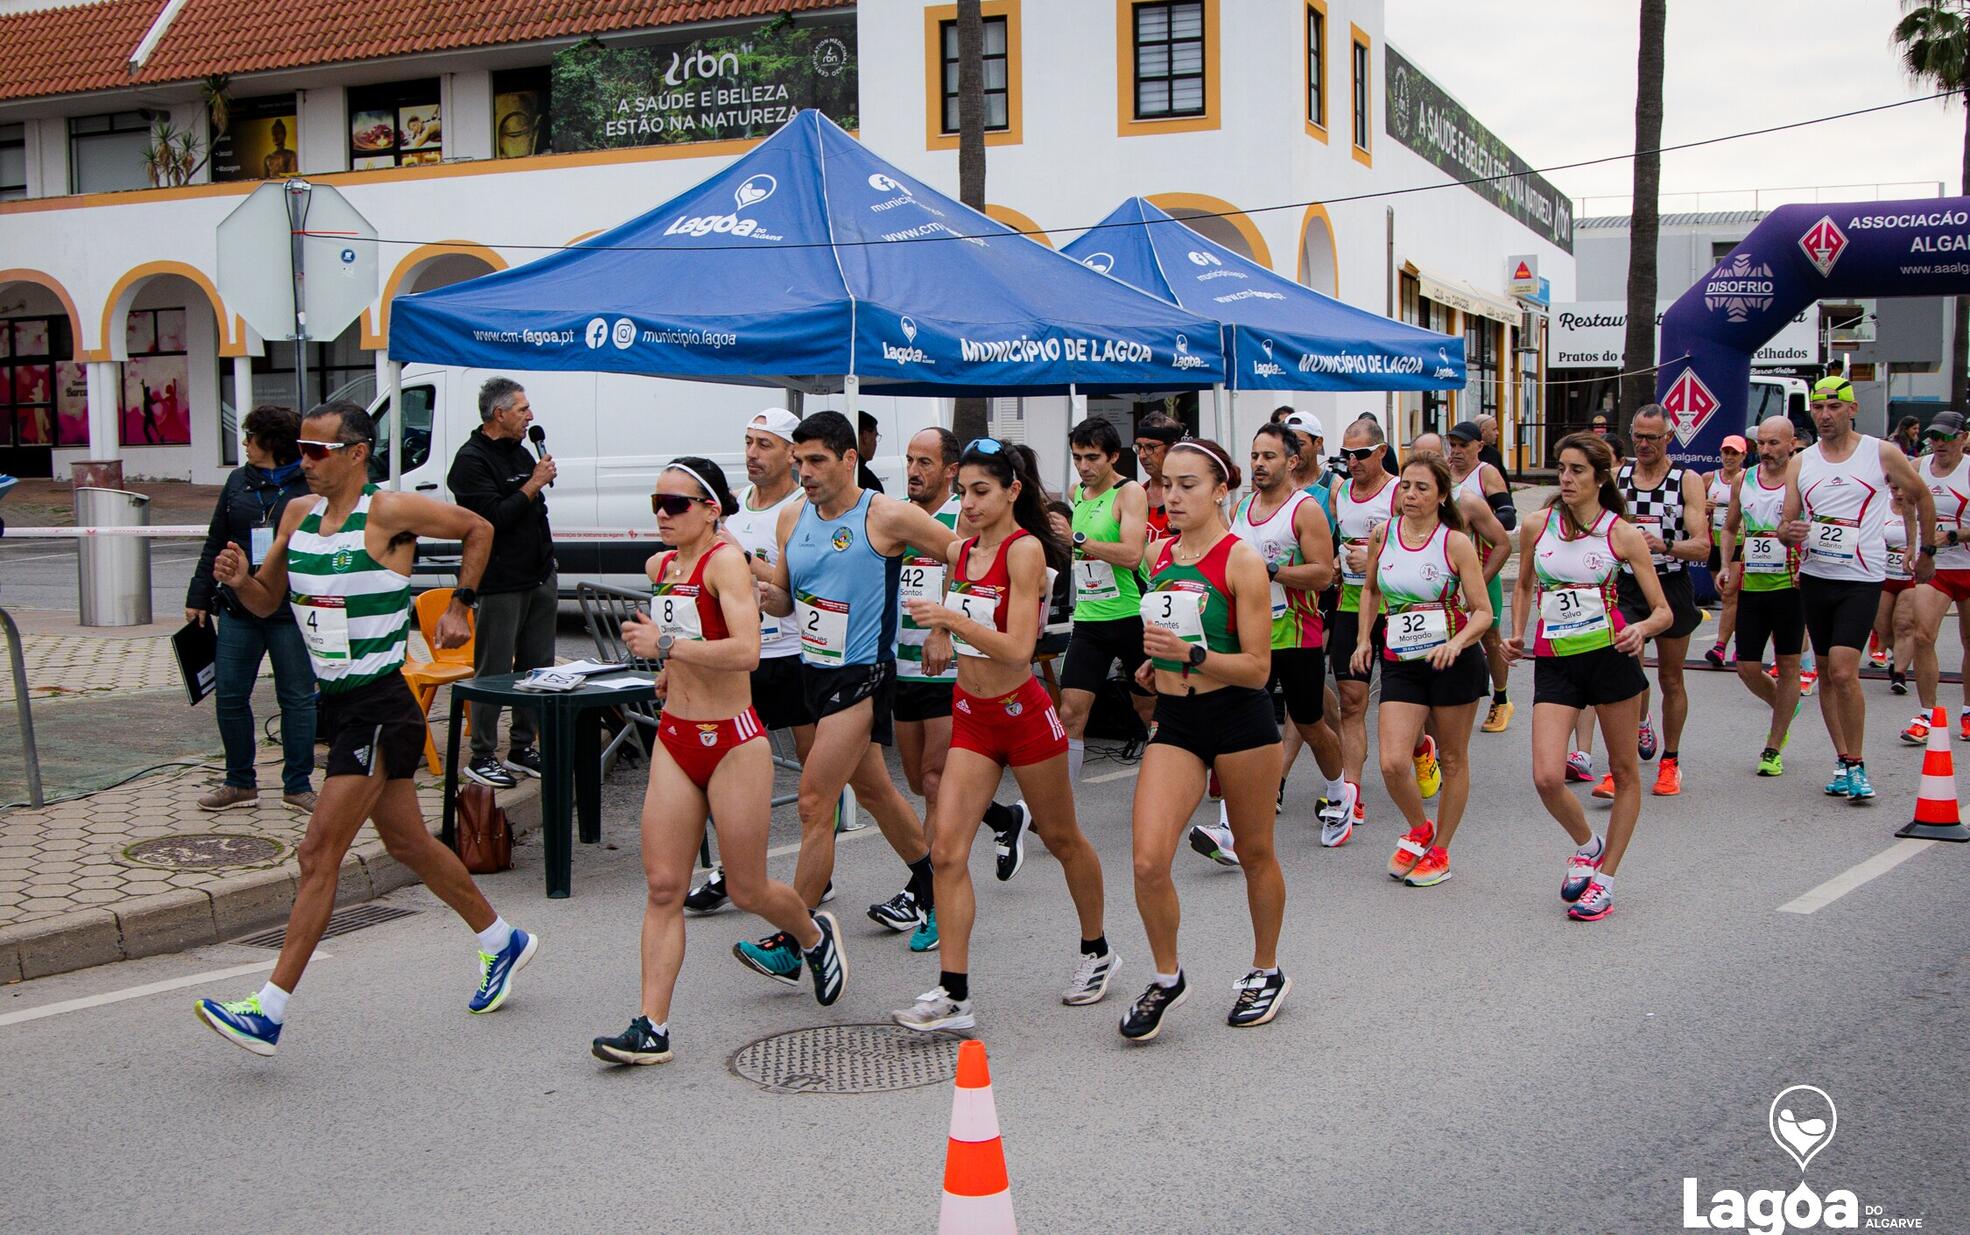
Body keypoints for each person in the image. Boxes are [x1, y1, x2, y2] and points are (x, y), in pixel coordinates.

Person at [194, 402, 535, 1056]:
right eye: (301, 449)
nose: (304, 462)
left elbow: (480, 527)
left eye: (318, 452)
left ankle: (268, 1009)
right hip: (340, 705)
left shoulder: (387, 513)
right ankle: (502, 940)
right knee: (409, 844)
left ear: (356, 452)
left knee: (317, 851)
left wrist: (461, 604)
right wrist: (240, 583)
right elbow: (269, 600)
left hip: (381, 704)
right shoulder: (295, 514)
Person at [592, 459, 845, 1066]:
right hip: (677, 739)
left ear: (711, 509)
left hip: (733, 742)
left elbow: (749, 652)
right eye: (657, 501)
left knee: (748, 884)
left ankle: (812, 935)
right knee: (663, 887)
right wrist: (671, 673)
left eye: (675, 504)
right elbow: (691, 643)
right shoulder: (660, 567)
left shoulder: (726, 562)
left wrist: (668, 647)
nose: (661, 513)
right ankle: (651, 1026)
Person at [892, 439, 1114, 1032]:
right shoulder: (960, 552)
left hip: (1022, 713)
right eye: (963, 491)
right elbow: (957, 616)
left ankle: (1097, 951)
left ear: (1013, 491)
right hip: (972, 714)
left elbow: (1018, 648)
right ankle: (954, 992)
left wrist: (950, 621)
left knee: (1064, 839)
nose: (968, 503)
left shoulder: (1024, 551)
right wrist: (943, 636)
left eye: (981, 492)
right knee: (945, 852)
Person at [738, 411, 959, 978]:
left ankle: (798, 939)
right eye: (799, 462)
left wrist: (942, 625)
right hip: (814, 671)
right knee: (879, 792)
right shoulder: (793, 517)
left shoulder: (883, 515)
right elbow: (787, 596)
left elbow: (963, 554)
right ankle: (934, 885)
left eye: (816, 461)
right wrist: (758, 591)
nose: (805, 473)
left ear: (848, 460)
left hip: (862, 676)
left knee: (815, 803)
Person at [1121, 438, 1289, 1040]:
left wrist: (1191, 654)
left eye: (1187, 485)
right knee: (1146, 860)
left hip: (1240, 718)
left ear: (1221, 490)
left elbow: (1258, 668)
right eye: (1166, 483)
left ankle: (1265, 970)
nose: (1172, 495)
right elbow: (1170, 634)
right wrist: (1157, 665)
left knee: (1254, 851)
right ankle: (1167, 977)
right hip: (1178, 719)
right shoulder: (1161, 554)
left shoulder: (1240, 559)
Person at [1505, 432, 1670, 923]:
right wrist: (1517, 633)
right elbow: (1524, 585)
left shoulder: (1621, 533)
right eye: (1562, 468)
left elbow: (1661, 611)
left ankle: (1607, 879)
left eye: (1577, 470)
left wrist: (1640, 630)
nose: (1566, 478)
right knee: (1547, 776)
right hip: (1556, 660)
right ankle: (1587, 844)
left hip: (1609, 656)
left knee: (1622, 773)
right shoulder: (1538, 525)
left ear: (1601, 477)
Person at [685, 409, 834, 915]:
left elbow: (796, 584)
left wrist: (744, 560)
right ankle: (732, 870)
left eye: (764, 444)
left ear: (791, 453)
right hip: (744, 657)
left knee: (816, 775)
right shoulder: (734, 508)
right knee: (727, 768)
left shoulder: (800, 507)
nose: (751, 453)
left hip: (796, 652)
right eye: (748, 442)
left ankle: (818, 875)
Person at [1189, 424, 1345, 865]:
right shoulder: (1240, 509)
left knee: (1311, 723)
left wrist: (1270, 571)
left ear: (1292, 462)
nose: (1259, 464)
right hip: (1249, 635)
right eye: (1255, 455)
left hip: (1296, 633)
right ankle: (1228, 827)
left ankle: (1339, 792)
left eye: (1269, 456)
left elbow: (1322, 574)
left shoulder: (1305, 510)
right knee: (1238, 723)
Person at [1779, 375, 1937, 803]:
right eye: (1818, 408)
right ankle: (1843, 759)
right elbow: (1786, 524)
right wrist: (1789, 532)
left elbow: (1921, 496)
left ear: (1852, 409)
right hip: (1816, 577)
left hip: (1861, 579)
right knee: (1829, 673)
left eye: (1833, 407)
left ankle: (1858, 762)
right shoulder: (1802, 461)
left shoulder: (1880, 452)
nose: (1824, 415)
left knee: (1846, 670)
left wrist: (1925, 550)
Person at [891, 426, 1030, 878]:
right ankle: (1004, 818)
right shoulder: (897, 516)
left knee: (935, 780)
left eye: (924, 462)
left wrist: (943, 633)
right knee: (919, 781)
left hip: (950, 666)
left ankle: (924, 893)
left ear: (950, 471)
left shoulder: (965, 517)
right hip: (902, 662)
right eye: (909, 460)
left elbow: (966, 577)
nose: (913, 471)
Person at [1352, 453, 1493, 886]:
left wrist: (1456, 642)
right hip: (1401, 661)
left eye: (1422, 488)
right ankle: (1419, 827)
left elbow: (1483, 612)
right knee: (1393, 762)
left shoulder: (1454, 543)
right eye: (1406, 487)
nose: (1410, 495)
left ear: (1441, 496)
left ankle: (1442, 851)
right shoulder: (1383, 534)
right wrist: (1363, 640)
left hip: (1452, 661)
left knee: (1451, 759)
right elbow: (1372, 590)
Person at [186, 404, 318, 814]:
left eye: (250, 437)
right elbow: (215, 540)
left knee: (297, 698)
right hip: (238, 608)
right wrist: (198, 595)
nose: (244, 443)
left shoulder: (308, 485)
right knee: (229, 696)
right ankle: (239, 782)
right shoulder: (237, 482)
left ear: (272, 443)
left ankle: (298, 784)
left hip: (290, 613)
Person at [1594, 404, 1709, 800]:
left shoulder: (1685, 480)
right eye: (1638, 437)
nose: (1643, 444)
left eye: (1652, 438)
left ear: (1668, 438)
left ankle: (1670, 762)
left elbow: (1703, 546)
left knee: (1670, 677)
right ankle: (1620, 765)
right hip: (1627, 586)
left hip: (1670, 583)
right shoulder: (1618, 477)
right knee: (1625, 674)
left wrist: (1666, 545)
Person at [448, 376, 556, 789]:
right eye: (523, 410)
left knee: (537, 668)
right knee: (494, 671)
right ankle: (482, 754)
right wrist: (533, 483)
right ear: (499, 414)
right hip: (500, 581)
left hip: (540, 575)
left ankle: (523, 746)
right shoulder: (471, 461)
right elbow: (491, 519)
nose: (531, 416)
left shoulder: (522, 451)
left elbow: (533, 509)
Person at [1056, 417, 1156, 782]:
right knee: (1070, 712)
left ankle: (1176, 771)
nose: (1084, 467)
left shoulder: (1129, 493)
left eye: (1093, 457)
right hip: (1089, 620)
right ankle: (1060, 803)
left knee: (1149, 706)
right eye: (1078, 457)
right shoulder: (1076, 493)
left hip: (1131, 616)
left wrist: (1078, 539)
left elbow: (1132, 555)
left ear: (1113, 456)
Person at [1717, 417, 1807, 775]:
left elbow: (1815, 526)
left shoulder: (1802, 481)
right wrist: (1726, 564)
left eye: (1774, 443)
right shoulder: (1745, 479)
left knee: (1788, 665)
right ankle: (1784, 706)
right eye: (1762, 444)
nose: (1767, 451)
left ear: (1792, 444)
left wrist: (1808, 563)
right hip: (1753, 586)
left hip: (1791, 587)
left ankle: (1773, 745)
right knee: (1746, 667)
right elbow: (1729, 527)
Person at [1327, 417, 1397, 838]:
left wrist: (1371, 561)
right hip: (1352, 606)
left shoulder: (1398, 492)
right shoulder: (1340, 495)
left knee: (1408, 702)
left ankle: (1423, 748)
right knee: (1351, 702)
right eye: (1346, 455)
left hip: (1398, 608)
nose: (1352, 462)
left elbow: (1417, 544)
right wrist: (1339, 563)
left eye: (1361, 454)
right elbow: (1340, 543)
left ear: (1382, 451)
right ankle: (1352, 791)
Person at [1897, 410, 1969, 747]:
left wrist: (1954, 536)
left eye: (1947, 437)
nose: (1939, 443)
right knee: (1923, 636)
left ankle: (1968, 711)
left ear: (1963, 438)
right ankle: (1926, 713)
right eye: (1934, 437)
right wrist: (1913, 545)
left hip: (1967, 566)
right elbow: (1908, 506)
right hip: (1935, 567)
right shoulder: (1918, 467)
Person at [1446, 421, 1519, 732]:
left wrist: (1477, 519)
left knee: (1489, 634)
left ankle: (1501, 700)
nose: (1457, 451)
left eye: (1463, 445)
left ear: (1479, 446)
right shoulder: (1444, 475)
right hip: (1448, 569)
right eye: (1453, 444)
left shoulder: (1485, 472)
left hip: (1481, 564)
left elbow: (1509, 515)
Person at [1702, 435, 1750, 668]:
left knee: (1730, 593)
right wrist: (1704, 508)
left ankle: (1720, 647)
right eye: (1726, 452)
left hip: (1740, 544)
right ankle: (1742, 645)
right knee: (1728, 595)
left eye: (1735, 453)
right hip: (1716, 543)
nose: (1729, 457)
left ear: (1743, 456)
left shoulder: (1748, 479)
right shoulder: (1709, 479)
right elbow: (1693, 511)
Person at [1878, 489, 1918, 695]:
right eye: (1895, 489)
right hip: (1884, 575)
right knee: (1883, 628)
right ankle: (1898, 655)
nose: (1900, 493)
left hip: (1910, 577)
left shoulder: (1921, 504)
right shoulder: (1882, 503)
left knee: (1903, 624)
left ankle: (1900, 674)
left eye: (1904, 488)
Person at [1134, 412, 1186, 540]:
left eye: (1150, 447)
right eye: (1139, 447)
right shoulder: (1135, 495)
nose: (1142, 455)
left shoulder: (1192, 495)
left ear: (1173, 448)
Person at [1476, 414, 1512, 489]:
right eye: (1494, 429)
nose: (1497, 433)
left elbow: (1505, 484)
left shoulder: (1495, 454)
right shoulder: (1469, 453)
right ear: (1483, 431)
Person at [856, 411, 886, 493]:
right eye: (875, 436)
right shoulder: (869, 482)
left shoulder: (838, 470)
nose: (875, 444)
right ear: (865, 437)